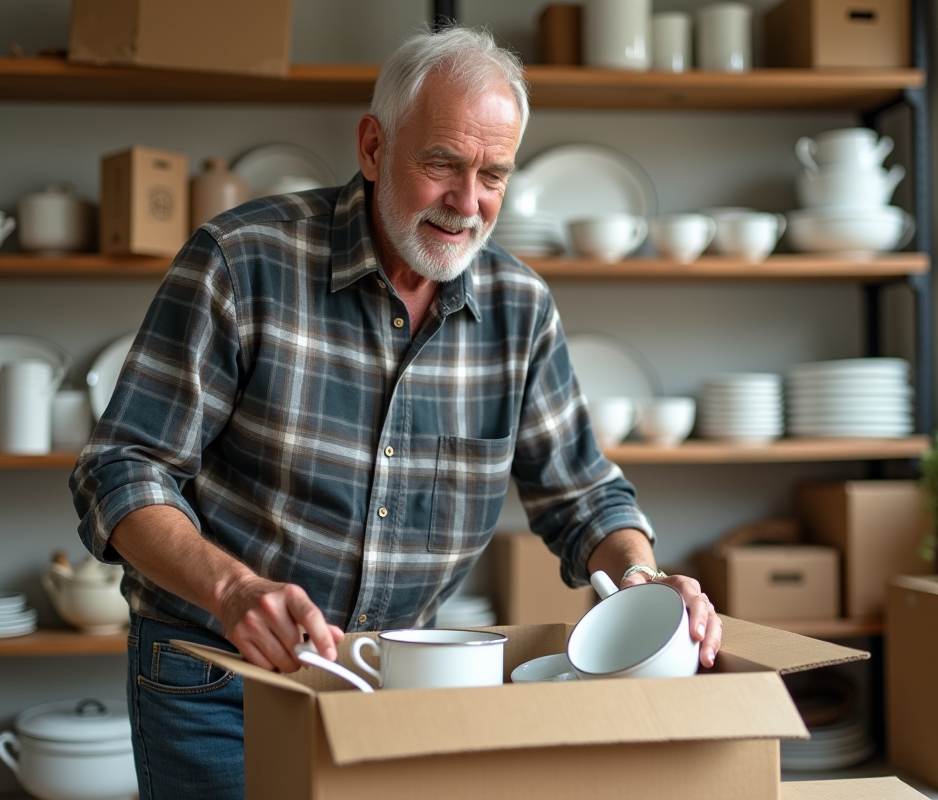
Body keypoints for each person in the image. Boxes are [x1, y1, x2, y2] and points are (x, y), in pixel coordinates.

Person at [71, 25, 722, 800]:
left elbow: (585, 496)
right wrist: (233, 590)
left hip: (400, 682)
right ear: (375, 147)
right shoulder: (242, 261)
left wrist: (642, 580)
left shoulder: (521, 309)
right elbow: (120, 469)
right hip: (217, 673)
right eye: (442, 163)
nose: (466, 202)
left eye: (493, 175)